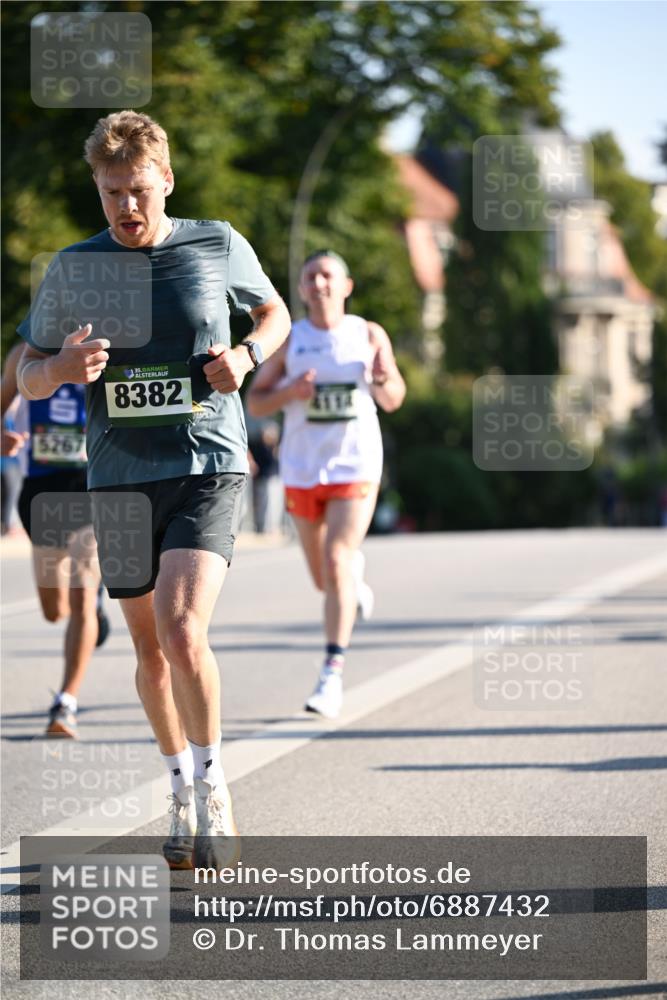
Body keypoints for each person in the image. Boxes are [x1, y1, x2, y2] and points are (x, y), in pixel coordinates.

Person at [15, 110, 291, 867]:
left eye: (138, 190)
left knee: (180, 630)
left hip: (207, 461)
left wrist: (249, 354)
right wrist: (60, 373)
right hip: (120, 477)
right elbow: (30, 372)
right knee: (148, 650)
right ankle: (176, 783)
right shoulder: (74, 268)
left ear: (165, 180)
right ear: (97, 190)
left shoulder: (217, 243)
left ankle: (212, 789)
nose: (126, 208)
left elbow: (274, 312)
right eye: (111, 194)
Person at [247, 250, 405, 718]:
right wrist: (290, 393)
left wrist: (381, 378)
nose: (320, 283)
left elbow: (394, 397)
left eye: (328, 275)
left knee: (336, 558)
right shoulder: (292, 340)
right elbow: (255, 402)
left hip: (355, 465)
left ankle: (331, 675)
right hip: (301, 468)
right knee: (325, 579)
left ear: (346, 285)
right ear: (301, 288)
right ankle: (353, 581)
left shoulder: (367, 334)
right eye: (311, 276)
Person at [1, 343, 110, 738]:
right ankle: (91, 609)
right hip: (41, 492)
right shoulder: (24, 355)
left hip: (91, 486)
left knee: (82, 594)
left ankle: (66, 702)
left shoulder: (105, 350)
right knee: (53, 610)